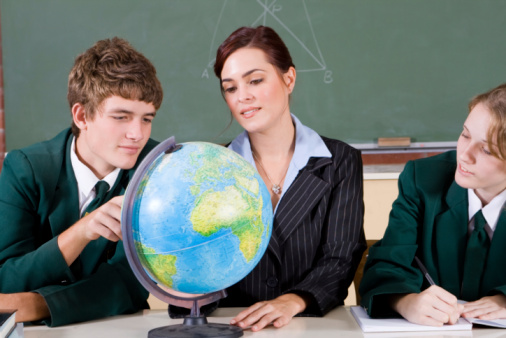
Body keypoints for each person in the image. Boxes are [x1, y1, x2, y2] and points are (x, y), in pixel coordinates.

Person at [0, 37, 163, 327]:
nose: (138, 133)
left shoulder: (159, 168)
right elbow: (7, 278)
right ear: (82, 115)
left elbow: (129, 284)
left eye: (146, 119)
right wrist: (82, 231)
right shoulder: (25, 168)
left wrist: (39, 304)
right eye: (121, 117)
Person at [213, 25, 366, 331]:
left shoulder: (339, 161)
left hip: (310, 325)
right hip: (233, 327)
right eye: (230, 87)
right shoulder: (213, 168)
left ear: (289, 78)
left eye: (255, 80)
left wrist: (293, 300)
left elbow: (341, 256)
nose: (243, 96)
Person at [359, 83, 506, 327]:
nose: (465, 155)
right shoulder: (422, 180)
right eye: (465, 135)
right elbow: (387, 264)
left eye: (487, 150)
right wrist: (405, 301)